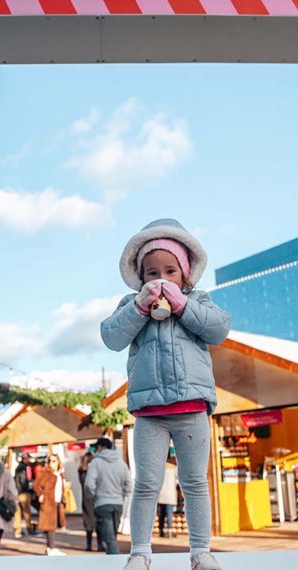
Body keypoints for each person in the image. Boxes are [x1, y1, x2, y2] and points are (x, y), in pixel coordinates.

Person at [101, 218, 232, 570]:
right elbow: (111, 337)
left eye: (170, 270)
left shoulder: (198, 300)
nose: (160, 278)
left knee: (194, 483)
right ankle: (140, 552)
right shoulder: (132, 305)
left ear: (186, 273)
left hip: (191, 408)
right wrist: (139, 307)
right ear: (140, 277)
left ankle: (200, 552)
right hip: (149, 413)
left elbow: (219, 329)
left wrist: (183, 306)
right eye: (152, 272)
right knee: (146, 483)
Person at [85, 437, 132, 556]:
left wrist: (94, 497)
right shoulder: (121, 463)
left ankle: (117, 563)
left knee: (110, 540)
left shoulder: (95, 463)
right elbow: (129, 484)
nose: (95, 450)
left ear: (101, 447)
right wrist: (122, 496)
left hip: (102, 504)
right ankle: (111, 562)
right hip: (118, 504)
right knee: (112, 537)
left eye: (96, 447)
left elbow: (89, 485)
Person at [34, 455, 68, 556]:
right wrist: (40, 495)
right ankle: (51, 548)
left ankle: (50, 547)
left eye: (54, 461)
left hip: (57, 501)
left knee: (53, 524)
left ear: (58, 462)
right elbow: (36, 485)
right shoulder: (46, 473)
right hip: (49, 502)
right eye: (50, 461)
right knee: (50, 526)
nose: (51, 463)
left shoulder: (59, 474)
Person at [78, 447, 102, 551]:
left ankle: (89, 545)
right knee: (96, 523)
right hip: (93, 499)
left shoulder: (81, 471)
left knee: (89, 523)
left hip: (86, 500)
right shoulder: (87, 472)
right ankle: (99, 545)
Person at [14, 453, 37, 537]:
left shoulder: (18, 468)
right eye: (28, 458)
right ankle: (29, 529)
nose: (29, 460)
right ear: (25, 458)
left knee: (18, 512)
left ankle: (17, 530)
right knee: (27, 512)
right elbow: (22, 480)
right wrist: (26, 490)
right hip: (23, 492)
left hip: (18, 492)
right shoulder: (23, 468)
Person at [157, 455, 179, 537]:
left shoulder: (161, 468)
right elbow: (178, 479)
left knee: (161, 514)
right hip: (170, 494)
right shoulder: (174, 469)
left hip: (161, 494)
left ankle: (161, 530)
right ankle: (170, 531)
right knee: (169, 513)